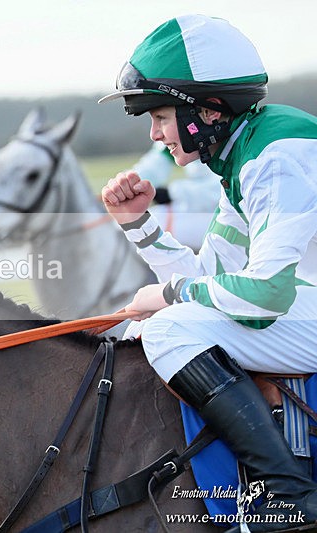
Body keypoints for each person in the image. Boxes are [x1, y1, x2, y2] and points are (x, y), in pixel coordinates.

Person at [99, 14, 317, 532]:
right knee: (148, 321)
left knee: (169, 326)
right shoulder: (240, 153)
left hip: (298, 309)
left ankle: (286, 494)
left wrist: (171, 295)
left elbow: (263, 296)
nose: (155, 134)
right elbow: (212, 280)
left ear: (209, 108)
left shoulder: (277, 155)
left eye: (160, 115)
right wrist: (139, 226)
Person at [133, 140, 221, 250]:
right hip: (196, 207)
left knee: (147, 226)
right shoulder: (174, 134)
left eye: (163, 121)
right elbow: (154, 164)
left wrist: (172, 193)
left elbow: (223, 189)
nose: (154, 134)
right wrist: (129, 185)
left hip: (226, 212)